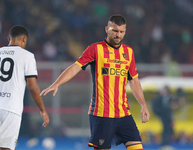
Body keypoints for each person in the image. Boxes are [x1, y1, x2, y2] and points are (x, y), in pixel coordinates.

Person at [41, 14, 150, 150]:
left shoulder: (128, 52)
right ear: (107, 29)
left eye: (121, 32)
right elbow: (76, 67)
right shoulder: (95, 49)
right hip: (102, 115)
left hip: (124, 114)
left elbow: (133, 81)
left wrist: (143, 105)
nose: (118, 35)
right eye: (115, 31)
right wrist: (57, 83)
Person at [0, 25, 49, 150]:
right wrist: (42, 110)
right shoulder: (27, 56)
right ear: (24, 39)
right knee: (6, 148)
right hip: (10, 109)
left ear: (8, 38)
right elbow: (32, 87)